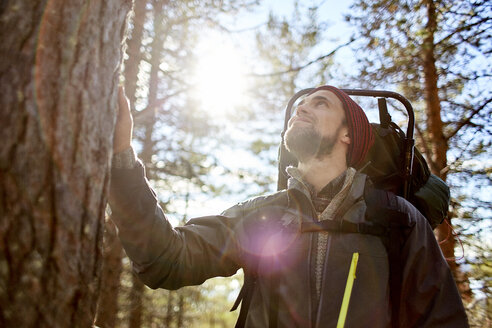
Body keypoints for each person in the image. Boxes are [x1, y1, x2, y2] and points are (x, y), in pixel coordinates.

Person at [109, 85, 468, 327]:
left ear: (349, 135)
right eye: (301, 103)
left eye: (320, 103)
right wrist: (122, 159)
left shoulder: (397, 219)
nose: (303, 107)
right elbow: (165, 260)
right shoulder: (260, 215)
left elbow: (442, 320)